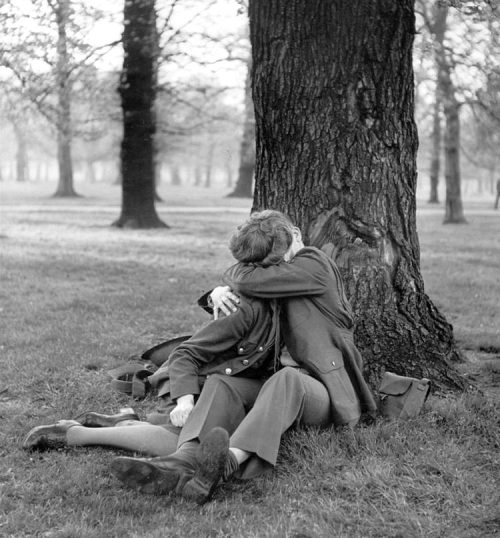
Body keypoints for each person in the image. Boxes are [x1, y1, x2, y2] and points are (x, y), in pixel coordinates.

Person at [110, 210, 377, 504]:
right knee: (222, 384)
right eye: (269, 263)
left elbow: (249, 279)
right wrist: (219, 293)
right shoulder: (272, 282)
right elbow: (251, 282)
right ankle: (181, 463)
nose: (280, 265)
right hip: (273, 390)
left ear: (298, 235)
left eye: (280, 257)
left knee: (288, 378)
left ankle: (229, 462)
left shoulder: (315, 264)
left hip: (323, 394)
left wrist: (227, 281)